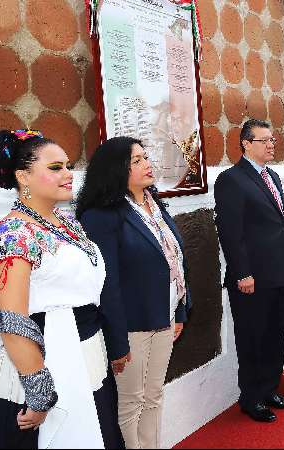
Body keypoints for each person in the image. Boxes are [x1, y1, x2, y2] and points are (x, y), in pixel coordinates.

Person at [0, 129, 123, 448]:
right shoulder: (13, 233)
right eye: (55, 167)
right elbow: (12, 318)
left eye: (68, 165)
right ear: (24, 176)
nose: (68, 174)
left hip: (86, 359)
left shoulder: (67, 223)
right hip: (42, 365)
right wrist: (39, 393)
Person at [77, 137, 192, 448]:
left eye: (145, 157)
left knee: (154, 395)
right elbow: (107, 283)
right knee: (132, 402)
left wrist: (179, 311)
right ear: (117, 170)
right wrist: (118, 343)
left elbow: (174, 260)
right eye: (137, 161)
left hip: (164, 317)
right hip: (131, 327)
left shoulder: (154, 204)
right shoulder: (102, 215)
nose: (147, 164)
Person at [214, 119, 284, 423]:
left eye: (272, 140)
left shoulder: (272, 175)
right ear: (246, 144)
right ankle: (251, 398)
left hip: (277, 272)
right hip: (251, 278)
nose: (271, 145)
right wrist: (242, 273)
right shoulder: (231, 180)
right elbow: (231, 233)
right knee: (252, 338)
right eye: (264, 141)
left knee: (275, 334)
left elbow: (278, 225)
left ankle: (270, 389)